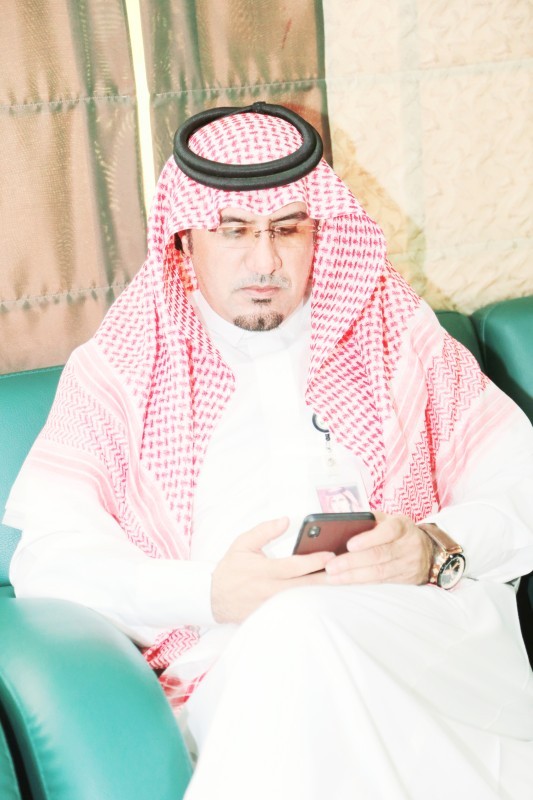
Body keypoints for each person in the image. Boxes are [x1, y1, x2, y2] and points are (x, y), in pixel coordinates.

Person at [4, 103, 533, 799]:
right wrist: (208, 592)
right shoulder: (120, 369)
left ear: (319, 231)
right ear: (185, 238)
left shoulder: (398, 334)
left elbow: (520, 482)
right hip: (235, 667)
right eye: (234, 231)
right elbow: (50, 560)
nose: (265, 261)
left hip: (423, 636)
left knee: (299, 631)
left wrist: (433, 547)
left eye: (287, 228)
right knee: (293, 634)